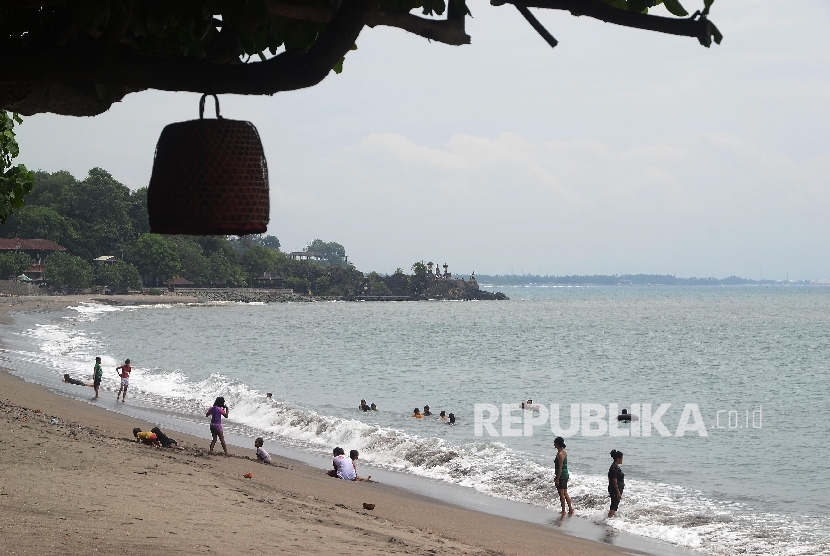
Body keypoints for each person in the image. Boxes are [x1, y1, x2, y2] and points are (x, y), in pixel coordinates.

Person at [553, 437, 574, 514]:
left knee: (561, 494)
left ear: (558, 444)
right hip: (565, 474)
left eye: (555, 443)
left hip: (562, 475)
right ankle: (570, 509)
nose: (554, 444)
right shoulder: (564, 452)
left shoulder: (560, 454)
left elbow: (560, 467)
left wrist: (557, 478)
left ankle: (564, 510)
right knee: (565, 493)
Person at [608, 449, 625, 518]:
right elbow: (614, 481)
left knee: (615, 505)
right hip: (615, 489)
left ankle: (610, 519)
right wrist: (618, 492)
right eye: (621, 458)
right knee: (614, 506)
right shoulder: (614, 468)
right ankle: (608, 520)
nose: (622, 460)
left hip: (615, 489)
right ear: (618, 458)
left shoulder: (615, 467)